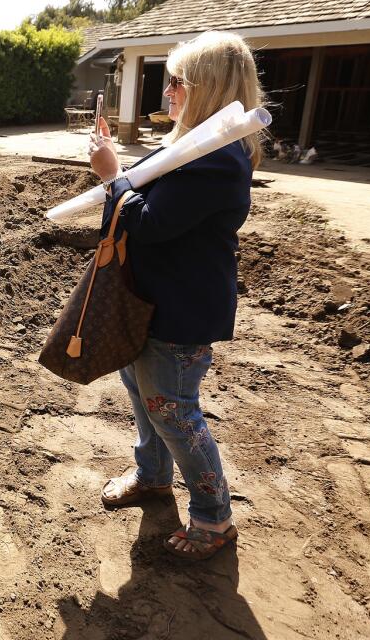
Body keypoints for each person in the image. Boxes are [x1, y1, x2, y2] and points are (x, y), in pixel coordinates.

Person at [87, 30, 263, 561]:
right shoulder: (191, 147)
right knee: (143, 394)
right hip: (152, 299)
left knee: (173, 409)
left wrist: (113, 175)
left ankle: (214, 518)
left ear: (205, 88)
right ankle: (152, 476)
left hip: (180, 310)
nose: (168, 92)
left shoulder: (217, 160)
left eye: (177, 82)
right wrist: (119, 176)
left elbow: (151, 223)